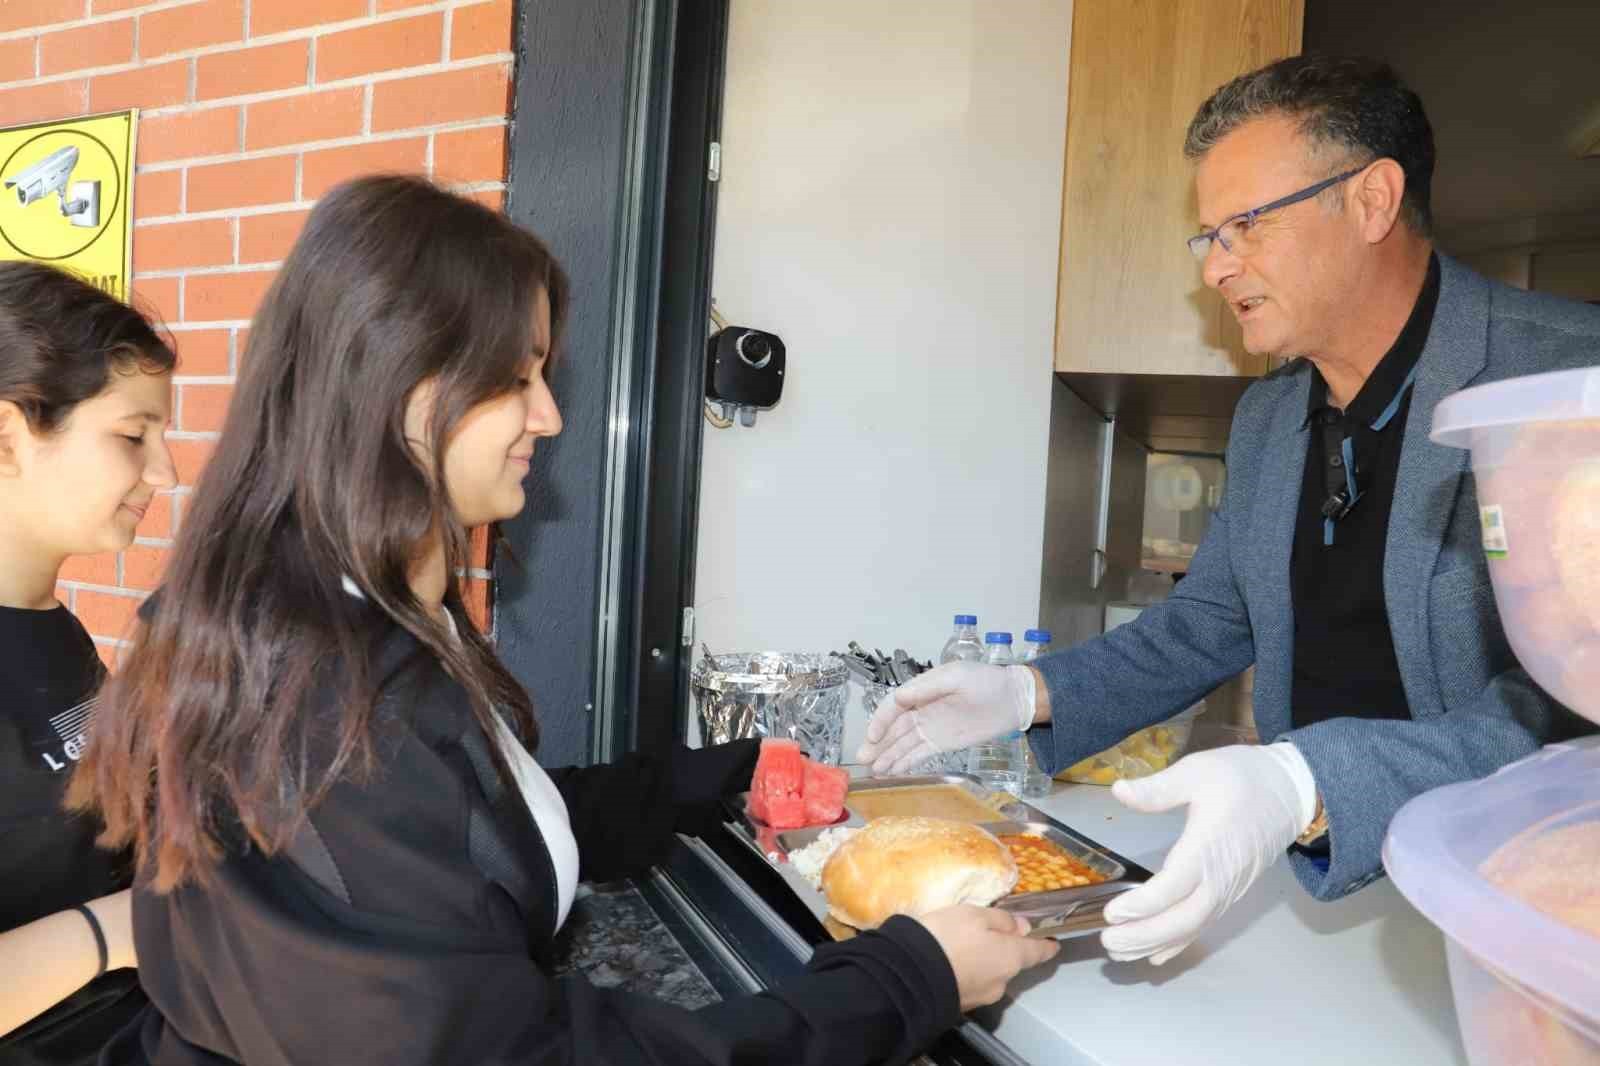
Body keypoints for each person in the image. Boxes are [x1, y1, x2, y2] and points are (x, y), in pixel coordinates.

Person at [71, 175, 1056, 1066]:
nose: (546, 414)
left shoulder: (357, 616)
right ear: (397, 381)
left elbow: (463, 840)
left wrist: (718, 778)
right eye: (515, 376)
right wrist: (906, 979)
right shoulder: (325, 690)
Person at [859, 55, 1600, 966]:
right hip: (1327, 885)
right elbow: (1212, 619)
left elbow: (1572, 711)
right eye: (1208, 235)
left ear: (1372, 201)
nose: (1217, 267)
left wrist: (1304, 781)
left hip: (1523, 908)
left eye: (1245, 226)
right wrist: (1028, 693)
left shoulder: (1571, 381)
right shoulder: (1271, 416)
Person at [0, 262, 176, 1063]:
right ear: (9, 439)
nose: (164, 472)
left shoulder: (52, 631)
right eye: (134, 436)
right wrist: (122, 930)